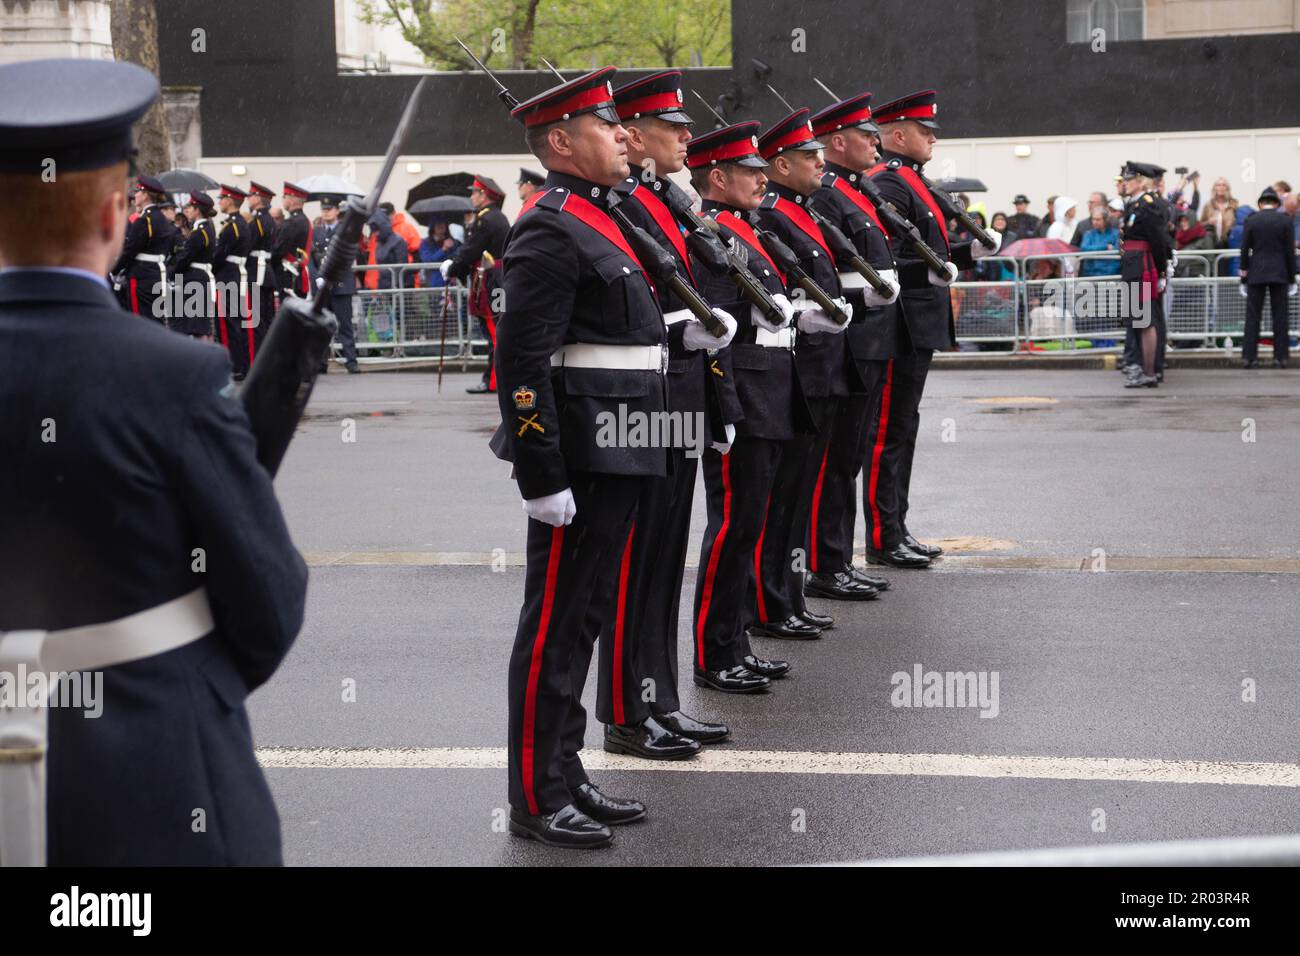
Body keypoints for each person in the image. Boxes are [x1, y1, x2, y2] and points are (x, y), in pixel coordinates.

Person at [0, 56, 307, 866]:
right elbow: (267, 598)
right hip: (145, 770)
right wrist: (178, 688)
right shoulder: (174, 375)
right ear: (113, 216)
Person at [490, 67, 669, 849]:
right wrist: (542, 475)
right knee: (555, 627)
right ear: (561, 143)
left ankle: (568, 773)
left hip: (625, 447)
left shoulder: (604, 216)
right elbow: (521, 365)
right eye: (605, 126)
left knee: (586, 617)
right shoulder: (547, 227)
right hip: (582, 459)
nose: (624, 135)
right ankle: (535, 794)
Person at [578, 71, 744, 744]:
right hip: (652, 401)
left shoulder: (662, 200)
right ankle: (625, 712)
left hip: (681, 397)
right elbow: (651, 313)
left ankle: (658, 699)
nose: (686, 138)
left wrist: (720, 398)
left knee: (663, 558)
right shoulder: (627, 204)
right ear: (636, 135)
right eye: (673, 129)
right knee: (638, 562)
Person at [686, 121, 810, 696]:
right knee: (733, 526)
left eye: (763, 170)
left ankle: (736, 642)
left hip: (773, 384)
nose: (763, 180)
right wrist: (724, 408)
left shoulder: (745, 229)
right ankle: (715, 654)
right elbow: (716, 333)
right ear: (718, 177)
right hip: (746, 392)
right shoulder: (713, 234)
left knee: (752, 524)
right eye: (751, 172)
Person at [867, 90, 997, 565]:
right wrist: (938, 269)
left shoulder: (912, 180)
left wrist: (967, 255)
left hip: (920, 322)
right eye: (925, 132)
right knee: (889, 431)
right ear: (897, 135)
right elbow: (889, 261)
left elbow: (931, 253)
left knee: (905, 426)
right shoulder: (889, 182)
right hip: (900, 321)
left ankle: (896, 526)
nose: (933, 140)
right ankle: (884, 535)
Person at [751, 106, 856, 634]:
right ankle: (769, 601)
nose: (821, 162)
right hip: (798, 371)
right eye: (809, 155)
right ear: (780, 165)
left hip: (821, 369)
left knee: (796, 493)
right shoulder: (770, 214)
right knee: (781, 497)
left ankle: (785, 598)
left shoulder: (804, 211)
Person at [807, 90, 899, 601]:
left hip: (872, 336)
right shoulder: (826, 194)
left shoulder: (858, 190)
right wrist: (860, 290)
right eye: (867, 135)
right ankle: (825, 561)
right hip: (850, 337)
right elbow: (820, 271)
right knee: (835, 458)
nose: (876, 142)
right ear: (837, 141)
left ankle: (838, 556)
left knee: (850, 455)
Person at [443, 175, 509, 393]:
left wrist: (453, 267)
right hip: (495, 280)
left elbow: (471, 249)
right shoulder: (494, 217)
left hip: (491, 281)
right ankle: (495, 378)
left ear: (485, 195)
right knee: (496, 331)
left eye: (475, 192)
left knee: (495, 332)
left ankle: (494, 381)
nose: (471, 196)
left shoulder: (486, 220)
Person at [1117, 161, 1172, 388]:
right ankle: (1141, 368)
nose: (1125, 184)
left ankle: (1149, 370)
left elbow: (1158, 240)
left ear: (1140, 181)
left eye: (1129, 180)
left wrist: (1161, 270)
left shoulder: (1146, 204)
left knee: (1145, 320)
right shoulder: (1135, 204)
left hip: (1142, 265)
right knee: (1138, 320)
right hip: (1133, 264)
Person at [1239, 186, 1298, 368]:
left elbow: (1245, 248)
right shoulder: (1285, 221)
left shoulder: (1252, 220)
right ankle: (1280, 357)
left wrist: (1244, 271)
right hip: (1279, 272)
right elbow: (1289, 251)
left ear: (1261, 203)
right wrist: (1292, 276)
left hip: (1256, 271)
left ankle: (1250, 356)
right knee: (1280, 316)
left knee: (1253, 316)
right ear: (1276, 203)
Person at [110, 173, 177, 322]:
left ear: (146, 195)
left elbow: (129, 250)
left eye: (138, 191)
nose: (135, 195)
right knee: (156, 321)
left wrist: (114, 270)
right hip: (157, 274)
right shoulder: (161, 219)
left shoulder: (144, 220)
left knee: (140, 321)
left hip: (141, 275)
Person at [310, 195, 360, 373]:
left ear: (337, 211)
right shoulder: (317, 231)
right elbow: (311, 258)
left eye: (329, 209)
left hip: (340, 284)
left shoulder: (345, 230)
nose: (326, 212)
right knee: (322, 326)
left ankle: (351, 361)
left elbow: (346, 257)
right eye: (323, 209)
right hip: (322, 286)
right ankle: (321, 363)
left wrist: (330, 276)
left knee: (344, 325)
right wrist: (317, 277)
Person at [211, 183, 253, 379]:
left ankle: (233, 365)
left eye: (221, 198)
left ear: (229, 200)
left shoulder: (232, 226)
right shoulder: (239, 223)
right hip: (235, 274)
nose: (219, 202)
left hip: (227, 276)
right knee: (236, 323)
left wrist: (210, 267)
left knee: (227, 324)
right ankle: (241, 364)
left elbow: (220, 255)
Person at [171, 190, 219, 340]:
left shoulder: (199, 232)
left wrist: (171, 273)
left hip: (195, 279)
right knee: (203, 327)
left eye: (191, 208)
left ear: (197, 210)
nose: (188, 211)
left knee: (198, 329)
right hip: (201, 278)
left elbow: (186, 258)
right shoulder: (207, 228)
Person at [245, 182, 279, 358]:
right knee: (266, 319)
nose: (247, 199)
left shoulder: (257, 221)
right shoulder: (270, 220)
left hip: (256, 274)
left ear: (258, 198)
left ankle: (259, 359)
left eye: (250, 196)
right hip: (266, 272)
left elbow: (247, 246)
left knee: (257, 321)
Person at [273, 181, 313, 301]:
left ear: (291, 200)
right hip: (297, 273)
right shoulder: (303, 220)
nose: (283, 200)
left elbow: (280, 249)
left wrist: (271, 262)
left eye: (284, 197)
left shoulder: (292, 222)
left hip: (290, 275)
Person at [1078, 207, 1121, 277]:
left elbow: (1116, 253)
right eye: (1093, 219)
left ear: (1106, 220)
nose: (1094, 222)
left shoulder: (1116, 234)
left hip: (1111, 275)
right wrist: (1105, 247)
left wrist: (1110, 273)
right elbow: (1084, 249)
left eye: (1098, 219)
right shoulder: (1088, 234)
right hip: (1090, 274)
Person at [417, 220, 460, 287]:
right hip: (433, 282)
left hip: (451, 282)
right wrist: (443, 250)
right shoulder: (425, 243)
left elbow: (458, 258)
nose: (441, 226)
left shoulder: (454, 242)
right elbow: (427, 261)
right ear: (432, 227)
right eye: (437, 224)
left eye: (443, 224)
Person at [1200, 177, 1239, 245]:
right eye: (1218, 185)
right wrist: (1208, 222)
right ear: (1214, 188)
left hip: (1229, 241)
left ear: (1227, 188)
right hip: (1212, 242)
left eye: (1224, 185)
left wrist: (1231, 224)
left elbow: (1239, 223)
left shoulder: (1234, 204)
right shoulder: (1208, 205)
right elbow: (1200, 224)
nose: (1221, 187)